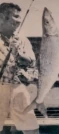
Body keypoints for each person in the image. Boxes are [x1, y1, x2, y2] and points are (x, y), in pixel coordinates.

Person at [0, 2, 41, 134]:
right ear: (1, 17)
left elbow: (31, 62)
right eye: (15, 16)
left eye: (19, 17)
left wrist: (17, 51)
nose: (19, 21)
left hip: (18, 86)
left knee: (31, 127)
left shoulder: (22, 39)